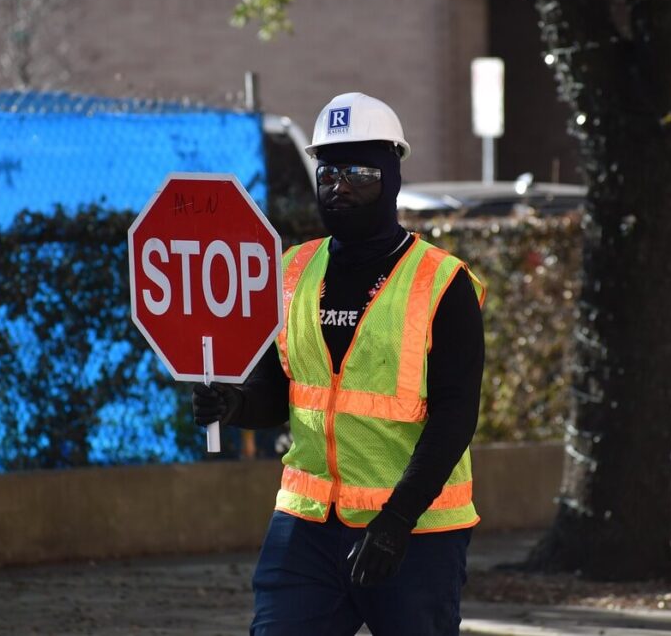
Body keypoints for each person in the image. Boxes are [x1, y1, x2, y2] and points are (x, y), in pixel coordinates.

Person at [193, 92, 486, 636]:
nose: (340, 187)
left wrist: (396, 521)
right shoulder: (293, 270)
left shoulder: (443, 283)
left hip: (415, 530)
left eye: (359, 173)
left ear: (391, 178)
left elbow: (455, 417)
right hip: (307, 526)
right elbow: (279, 391)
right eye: (328, 173)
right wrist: (234, 405)